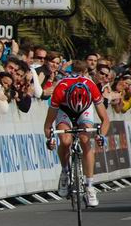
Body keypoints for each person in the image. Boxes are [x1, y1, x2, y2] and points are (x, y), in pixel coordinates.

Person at [44, 60, 110, 207]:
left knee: (85, 140)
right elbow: (48, 124)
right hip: (64, 110)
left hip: (84, 110)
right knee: (65, 140)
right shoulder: (61, 89)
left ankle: (90, 186)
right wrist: (50, 138)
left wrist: (102, 136)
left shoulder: (91, 87)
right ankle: (65, 171)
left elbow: (105, 119)